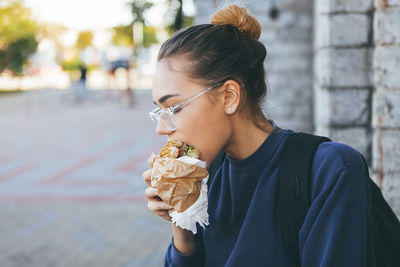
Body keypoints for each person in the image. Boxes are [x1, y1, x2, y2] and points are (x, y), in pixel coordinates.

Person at [142, 5, 375, 266]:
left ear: (229, 97)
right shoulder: (205, 179)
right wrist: (183, 222)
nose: (161, 128)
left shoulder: (330, 170)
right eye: (158, 112)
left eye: (173, 108)